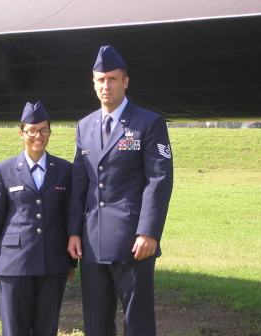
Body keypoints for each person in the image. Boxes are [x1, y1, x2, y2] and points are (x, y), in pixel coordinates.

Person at [67, 46, 174, 336]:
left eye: (112, 79)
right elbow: (80, 182)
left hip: (132, 242)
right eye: (100, 80)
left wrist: (149, 232)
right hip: (92, 241)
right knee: (96, 323)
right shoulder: (85, 126)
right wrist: (74, 231)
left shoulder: (148, 123)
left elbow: (159, 179)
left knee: (137, 323)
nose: (106, 86)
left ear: (125, 82)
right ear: (93, 83)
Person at [0, 101, 75, 336]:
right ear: (21, 133)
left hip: (52, 261)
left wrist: (70, 262)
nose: (38, 136)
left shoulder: (64, 170)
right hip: (14, 262)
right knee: (15, 329)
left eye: (44, 130)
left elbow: (69, 215)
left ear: (50, 133)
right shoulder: (3, 170)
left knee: (47, 328)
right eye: (32, 130)